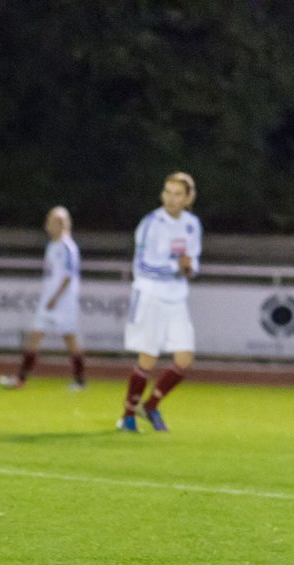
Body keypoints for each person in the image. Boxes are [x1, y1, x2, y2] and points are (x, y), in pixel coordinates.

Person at [117, 172, 202, 433]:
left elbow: (193, 261)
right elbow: (142, 265)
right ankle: (128, 416)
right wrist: (175, 267)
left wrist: (189, 268)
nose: (171, 198)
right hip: (151, 294)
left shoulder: (192, 224)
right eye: (167, 192)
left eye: (177, 194)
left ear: (189, 198)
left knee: (185, 358)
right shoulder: (151, 223)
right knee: (148, 358)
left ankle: (151, 405)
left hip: (177, 297)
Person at [0, 206, 86, 390]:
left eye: (52, 221)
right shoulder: (52, 246)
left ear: (61, 224)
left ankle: (80, 381)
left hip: (63, 302)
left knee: (70, 338)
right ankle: (20, 379)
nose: (47, 225)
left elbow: (69, 276)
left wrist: (56, 297)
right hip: (49, 301)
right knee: (35, 335)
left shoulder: (67, 247)